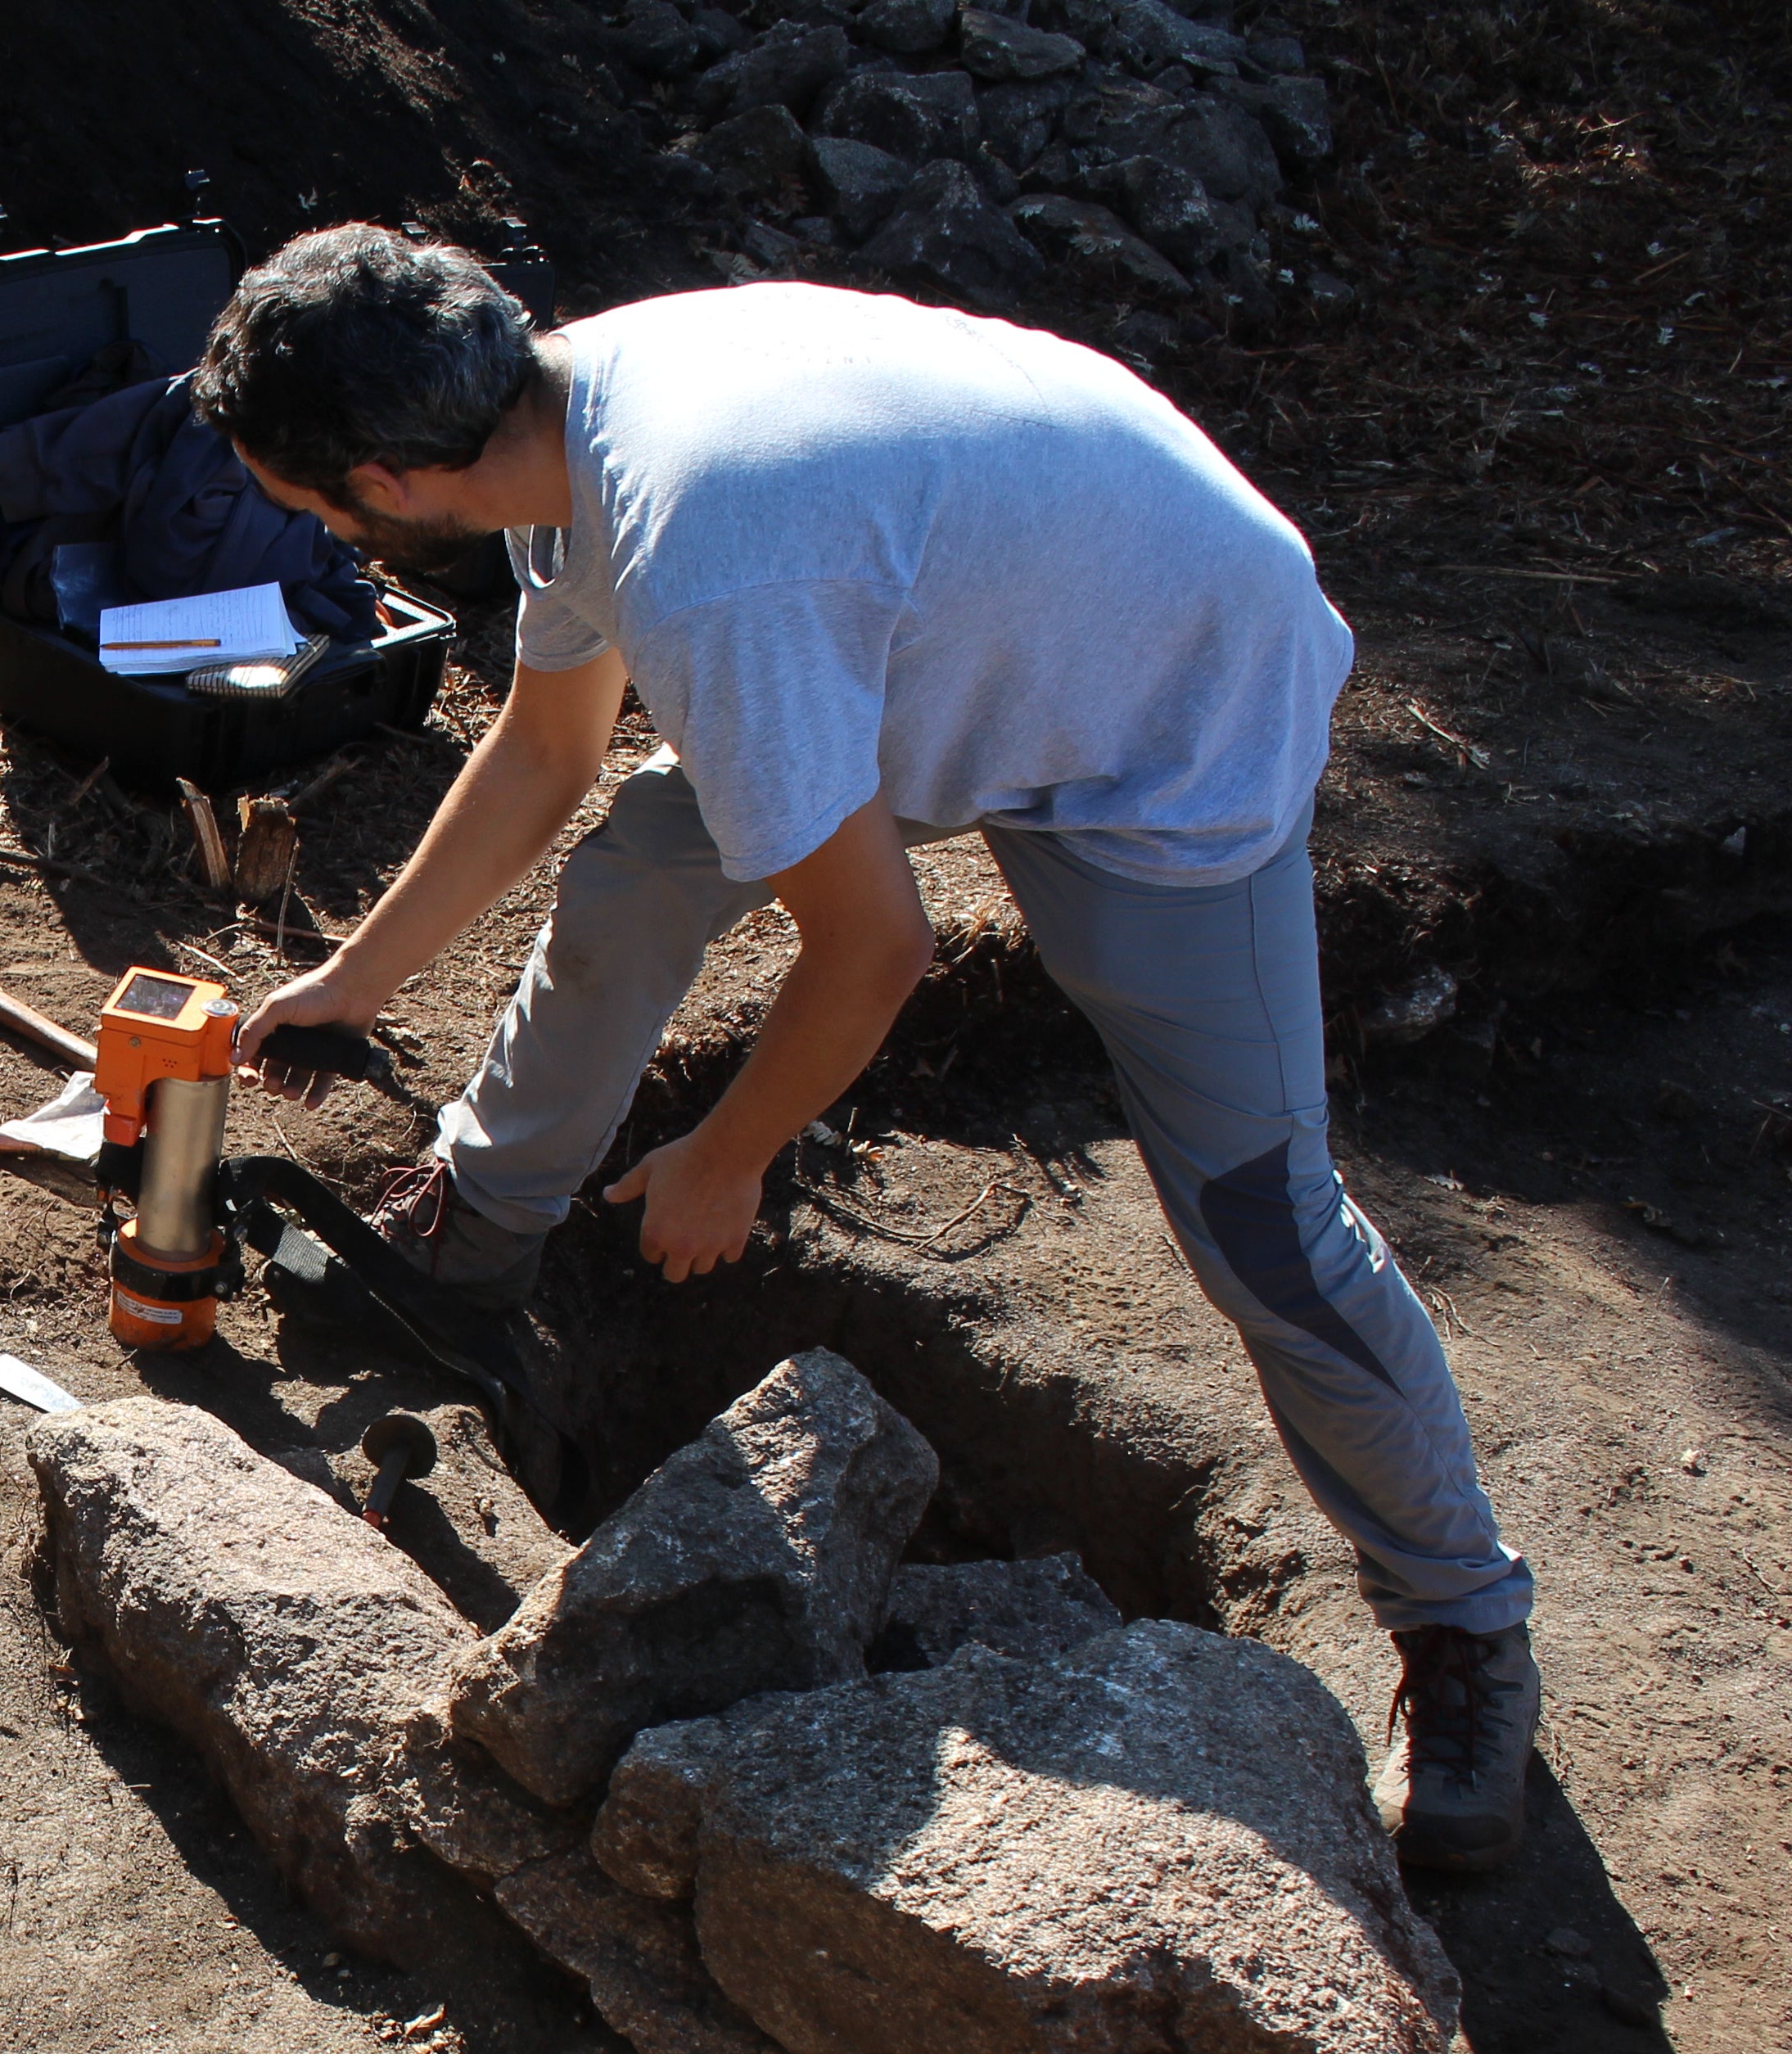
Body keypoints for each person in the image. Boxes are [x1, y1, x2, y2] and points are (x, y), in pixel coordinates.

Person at [191, 228, 1540, 1867]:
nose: (329, 534)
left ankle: (1463, 1630)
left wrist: (727, 1154)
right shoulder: (551, 429)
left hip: (1161, 710)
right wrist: (355, 976)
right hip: (949, 637)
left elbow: (879, 946)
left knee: (1259, 1212)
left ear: (399, 477)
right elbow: (550, 752)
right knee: (648, 852)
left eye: (319, 505)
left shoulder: (703, 549)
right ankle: (482, 1220)